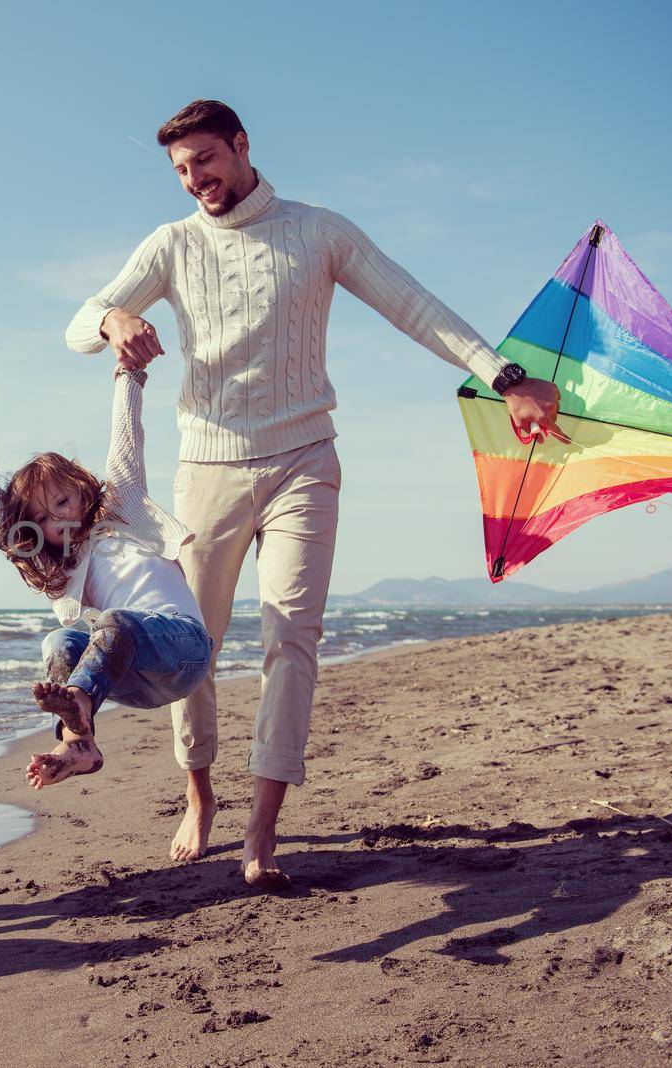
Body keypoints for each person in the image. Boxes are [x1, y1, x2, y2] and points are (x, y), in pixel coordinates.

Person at [66, 99, 563, 890]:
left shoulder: (319, 231)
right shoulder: (171, 245)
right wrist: (115, 317)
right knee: (188, 645)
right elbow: (78, 323)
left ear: (242, 145)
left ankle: (263, 827)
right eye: (181, 171)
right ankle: (200, 793)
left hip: (305, 460)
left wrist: (502, 378)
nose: (197, 180)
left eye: (206, 160)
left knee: (291, 637)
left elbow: (414, 305)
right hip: (208, 470)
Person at [0, 357, 212, 791]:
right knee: (59, 640)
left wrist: (128, 372)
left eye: (62, 503)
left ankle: (76, 712)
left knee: (114, 621)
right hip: (132, 678)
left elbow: (126, 437)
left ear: (81, 490)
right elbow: (4, 535)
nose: (58, 519)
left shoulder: (123, 508)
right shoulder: (62, 568)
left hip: (182, 649)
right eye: (43, 517)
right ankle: (81, 742)